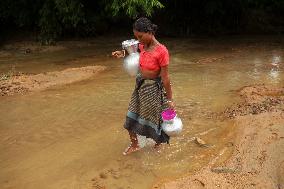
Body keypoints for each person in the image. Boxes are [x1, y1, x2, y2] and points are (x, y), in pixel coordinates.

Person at [112, 17, 174, 155]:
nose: (138, 40)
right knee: (130, 117)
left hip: (153, 90)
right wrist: (121, 53)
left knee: (154, 119)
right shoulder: (141, 46)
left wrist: (170, 100)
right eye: (136, 37)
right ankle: (135, 144)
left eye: (140, 36)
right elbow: (132, 54)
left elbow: (165, 78)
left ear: (150, 32)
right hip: (140, 86)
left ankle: (159, 143)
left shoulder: (161, 51)